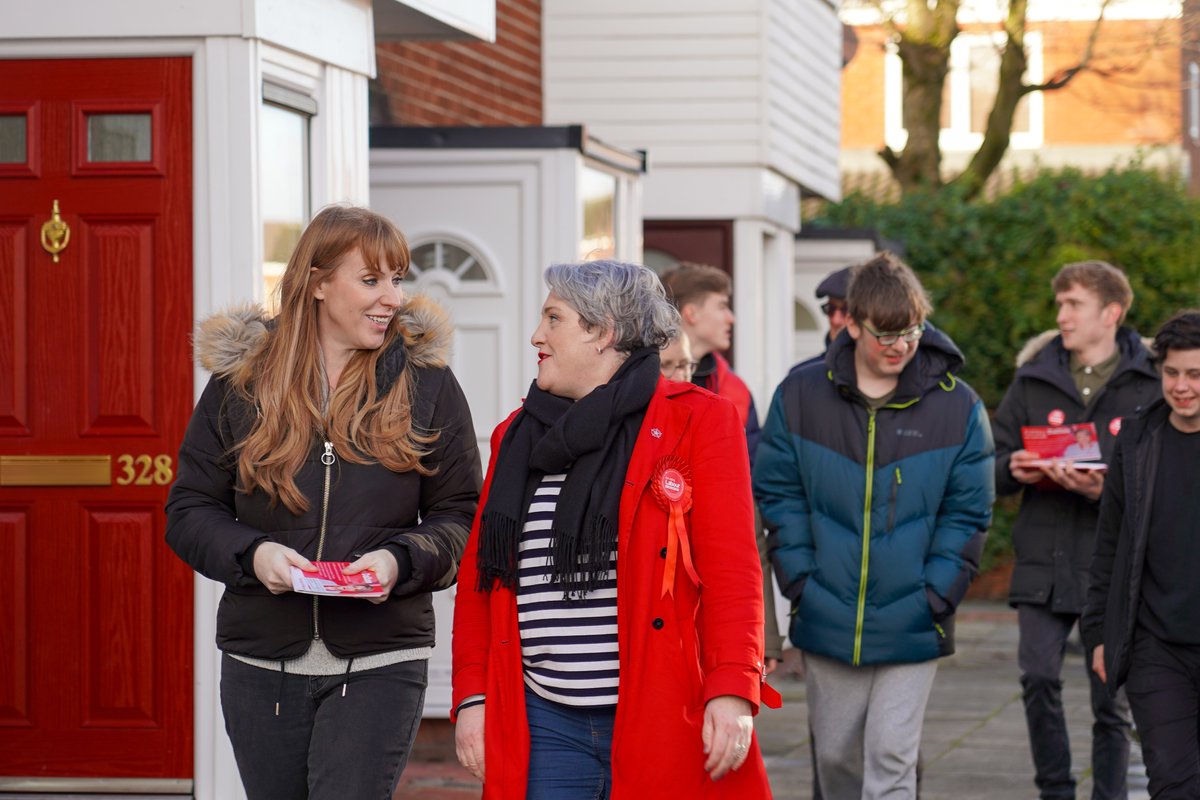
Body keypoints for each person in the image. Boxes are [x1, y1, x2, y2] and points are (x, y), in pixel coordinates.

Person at [164, 205, 482, 799]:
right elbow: (189, 511)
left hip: (381, 659)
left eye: (397, 279)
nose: (392, 298)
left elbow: (461, 514)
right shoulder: (241, 383)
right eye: (371, 279)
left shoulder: (427, 381)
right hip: (262, 664)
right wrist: (254, 556)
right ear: (317, 282)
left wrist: (400, 561)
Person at [451, 260, 777, 799]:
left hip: (661, 711)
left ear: (602, 332)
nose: (537, 336)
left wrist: (734, 688)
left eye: (553, 319)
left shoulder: (699, 420)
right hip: (541, 721)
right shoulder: (515, 435)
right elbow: (479, 584)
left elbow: (734, 573)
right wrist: (472, 696)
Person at [754, 251, 995, 799]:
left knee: (891, 757)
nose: (900, 346)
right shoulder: (800, 395)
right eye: (886, 334)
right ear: (852, 324)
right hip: (826, 611)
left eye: (910, 332)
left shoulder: (959, 407)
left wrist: (936, 594)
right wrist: (803, 582)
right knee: (836, 759)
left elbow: (968, 511)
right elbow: (779, 494)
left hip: (915, 616)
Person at [992, 260, 1156, 800]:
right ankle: (1055, 791)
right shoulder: (1032, 378)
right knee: (1038, 678)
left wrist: (1104, 491)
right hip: (1043, 560)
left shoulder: (1152, 383)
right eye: (1059, 303)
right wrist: (1011, 468)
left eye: (1073, 304)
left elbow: (1167, 479)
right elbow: (986, 463)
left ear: (1111, 313)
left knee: (1111, 698)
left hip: (1113, 570)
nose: (1061, 316)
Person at [1083, 310, 1200, 799]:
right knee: (1173, 783)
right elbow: (1109, 543)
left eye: (1194, 374)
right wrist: (1098, 634)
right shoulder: (1136, 441)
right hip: (1156, 647)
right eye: (1171, 373)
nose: (1181, 387)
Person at [659, 262, 782, 672]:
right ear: (691, 313)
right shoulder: (635, 389)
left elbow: (750, 521)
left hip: (719, 580)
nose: (732, 318)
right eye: (722, 306)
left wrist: (764, 635)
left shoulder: (736, 393)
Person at [792, 264, 853, 374]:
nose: (835, 320)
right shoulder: (802, 377)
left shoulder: (884, 373)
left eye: (846, 310)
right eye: (830, 309)